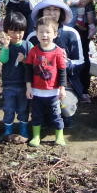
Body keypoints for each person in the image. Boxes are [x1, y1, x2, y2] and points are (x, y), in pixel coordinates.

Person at [26, 0, 84, 116]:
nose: (52, 13)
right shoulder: (33, 37)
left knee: (64, 109)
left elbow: (81, 62)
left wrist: (66, 62)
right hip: (39, 85)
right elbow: (27, 65)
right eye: (48, 9)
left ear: (61, 12)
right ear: (42, 11)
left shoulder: (71, 34)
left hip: (64, 86)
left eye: (56, 9)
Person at [25, 15, 68, 147]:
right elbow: (28, 70)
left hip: (53, 93)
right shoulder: (33, 51)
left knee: (56, 116)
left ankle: (59, 136)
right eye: (41, 32)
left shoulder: (58, 52)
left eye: (48, 32)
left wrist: (62, 88)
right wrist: (28, 87)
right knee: (36, 115)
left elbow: (62, 71)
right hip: (37, 92)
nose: (44, 35)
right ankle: (36, 136)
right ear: (36, 34)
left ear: (55, 34)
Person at [0, 11, 32, 140]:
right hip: (9, 85)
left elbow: (34, 63)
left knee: (23, 109)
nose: (17, 35)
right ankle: (8, 131)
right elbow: (3, 60)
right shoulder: (6, 46)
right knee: (8, 109)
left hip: (24, 84)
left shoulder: (28, 45)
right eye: (13, 32)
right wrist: (5, 47)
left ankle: (23, 130)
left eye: (20, 31)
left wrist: (25, 60)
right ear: (7, 31)